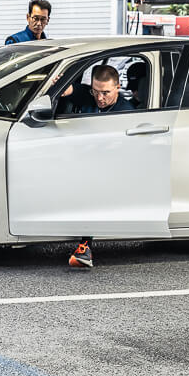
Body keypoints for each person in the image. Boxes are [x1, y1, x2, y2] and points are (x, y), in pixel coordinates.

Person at [62, 64, 134, 269]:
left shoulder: (126, 113)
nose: (100, 98)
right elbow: (67, 89)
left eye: (106, 93)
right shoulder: (89, 95)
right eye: (96, 92)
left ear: (118, 87)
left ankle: (85, 246)